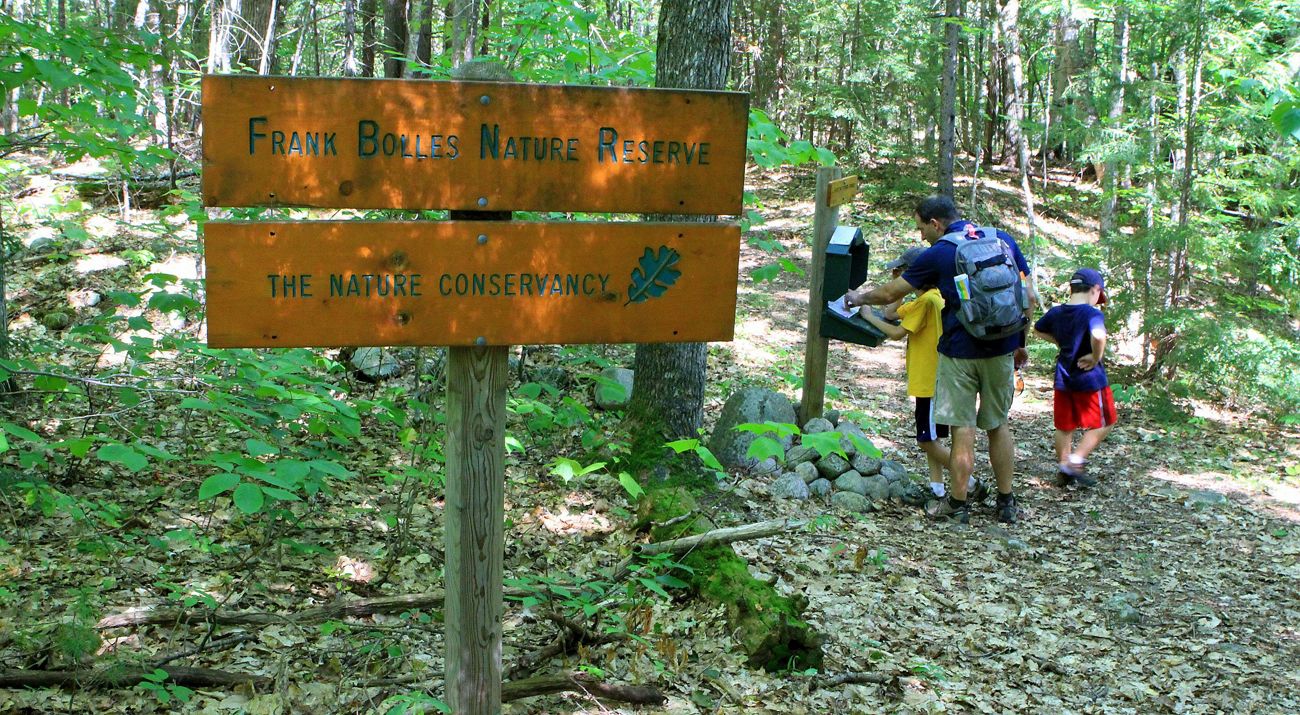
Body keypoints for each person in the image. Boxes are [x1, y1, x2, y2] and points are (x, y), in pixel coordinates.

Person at [845, 195, 1034, 524]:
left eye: (921, 228)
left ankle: (958, 505)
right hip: (1002, 348)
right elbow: (1028, 296)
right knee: (998, 425)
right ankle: (1006, 503)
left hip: (960, 353)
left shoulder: (941, 252)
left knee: (963, 429)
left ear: (936, 223)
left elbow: (891, 294)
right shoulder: (1001, 239)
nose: (921, 237)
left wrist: (857, 297)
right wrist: (1019, 343)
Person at [859, 246, 980, 501]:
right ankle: (937, 488)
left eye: (903, 272)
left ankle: (969, 481)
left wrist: (868, 316)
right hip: (935, 379)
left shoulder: (926, 302)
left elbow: (895, 332)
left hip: (931, 381)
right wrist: (896, 285)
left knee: (926, 440)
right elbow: (891, 313)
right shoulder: (932, 296)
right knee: (934, 439)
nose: (900, 276)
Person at [1032, 268, 1116, 487]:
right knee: (1105, 422)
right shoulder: (1092, 314)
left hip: (1063, 376)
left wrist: (1059, 341)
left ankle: (1063, 467)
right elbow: (1098, 335)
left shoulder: (1057, 312)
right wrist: (1095, 357)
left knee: (1064, 426)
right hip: (1090, 378)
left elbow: (1037, 330)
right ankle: (1075, 461)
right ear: (1095, 290)